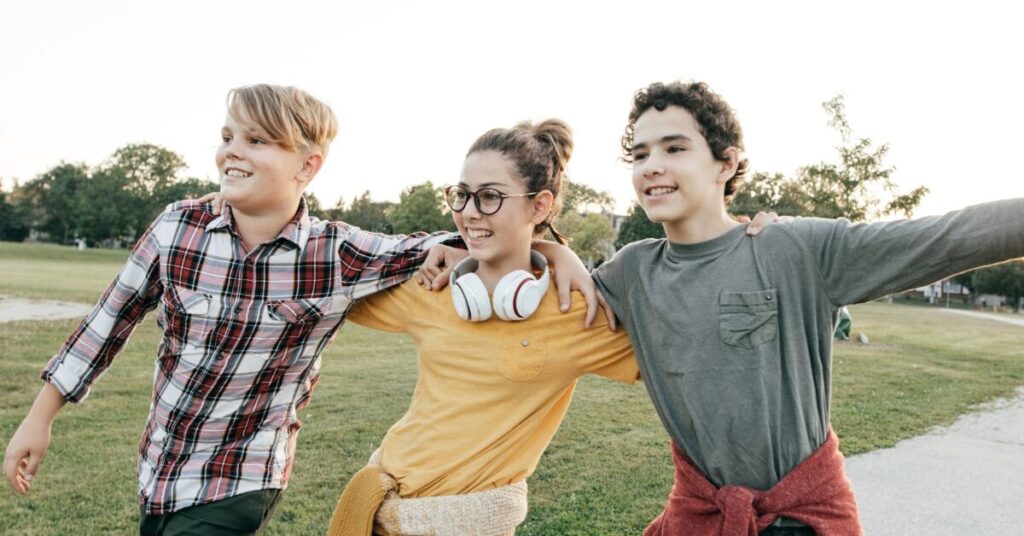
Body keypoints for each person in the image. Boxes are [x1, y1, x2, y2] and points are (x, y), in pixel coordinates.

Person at [1, 84, 594, 536]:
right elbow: (109, 319)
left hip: (244, 476)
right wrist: (40, 415)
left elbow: (474, 231)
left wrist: (549, 250)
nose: (232, 151)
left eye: (256, 141)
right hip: (160, 469)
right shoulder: (177, 226)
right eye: (229, 136)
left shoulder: (337, 254)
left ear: (307, 166)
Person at [593, 80, 1024, 535]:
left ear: (726, 162)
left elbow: (947, 237)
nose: (652, 168)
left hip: (798, 519)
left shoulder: (794, 248)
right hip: (697, 517)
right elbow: (539, 289)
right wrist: (556, 254)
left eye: (675, 148)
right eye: (640, 155)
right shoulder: (631, 271)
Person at [327, 119, 644, 536]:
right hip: (380, 511)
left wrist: (757, 246)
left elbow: (686, 349)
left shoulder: (575, 310)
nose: (469, 212)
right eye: (462, 195)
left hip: (473, 523)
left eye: (490, 196)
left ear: (540, 206)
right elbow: (327, 275)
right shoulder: (433, 284)